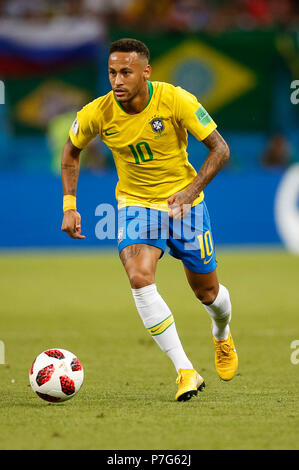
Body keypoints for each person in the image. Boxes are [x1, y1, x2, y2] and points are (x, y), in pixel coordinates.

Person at [61, 38, 238, 402]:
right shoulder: (98, 112)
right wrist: (69, 204)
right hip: (135, 205)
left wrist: (190, 191)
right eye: (112, 72)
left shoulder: (175, 99)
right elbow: (71, 151)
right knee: (139, 277)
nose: (117, 81)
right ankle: (185, 371)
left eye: (125, 72)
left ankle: (221, 334)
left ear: (146, 72)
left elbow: (220, 149)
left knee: (208, 294)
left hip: (186, 206)